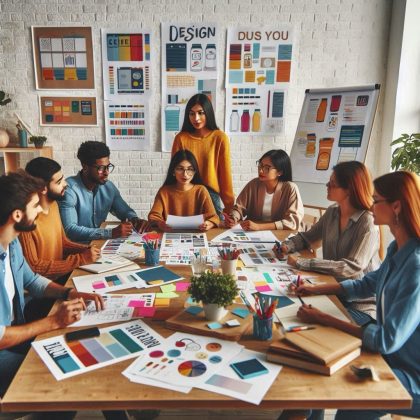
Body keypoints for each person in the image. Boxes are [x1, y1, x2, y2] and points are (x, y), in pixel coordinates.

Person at [292, 171, 420, 420]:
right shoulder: (397, 247)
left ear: (396, 207)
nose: (371, 205)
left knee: (349, 402)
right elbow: (368, 283)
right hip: (390, 357)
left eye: (376, 200)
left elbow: (385, 340)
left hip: (410, 375)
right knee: (322, 361)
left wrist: (324, 318)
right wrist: (318, 289)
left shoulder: (416, 267)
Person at [0, 171, 104, 399]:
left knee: (86, 347)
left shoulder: (12, 242)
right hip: (4, 352)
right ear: (17, 215)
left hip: (18, 332)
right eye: (35, 205)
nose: (40, 210)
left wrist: (69, 292)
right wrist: (53, 321)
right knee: (72, 377)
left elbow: (32, 280)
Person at [274, 161, 381, 325]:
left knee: (302, 320)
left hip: (360, 306)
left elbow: (351, 267)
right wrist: (288, 246)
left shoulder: (368, 222)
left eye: (333, 183)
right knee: (286, 310)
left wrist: (304, 263)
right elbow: (307, 237)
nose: (327, 185)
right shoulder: (332, 212)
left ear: (349, 190)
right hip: (330, 291)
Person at [20, 157, 100, 282]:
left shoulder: (53, 205)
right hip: (45, 288)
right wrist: (81, 259)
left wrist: (86, 249)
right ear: (43, 188)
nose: (65, 184)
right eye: (58, 182)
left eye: (62, 178)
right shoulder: (26, 220)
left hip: (62, 276)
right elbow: (34, 267)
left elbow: (62, 243)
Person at [58, 141, 150, 243]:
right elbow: (70, 230)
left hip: (99, 245)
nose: (106, 172)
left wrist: (134, 220)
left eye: (108, 166)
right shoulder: (69, 190)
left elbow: (124, 211)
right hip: (78, 250)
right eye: (101, 168)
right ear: (85, 167)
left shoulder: (108, 187)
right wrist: (110, 233)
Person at [171, 93, 234, 215]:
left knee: (213, 232)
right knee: (185, 232)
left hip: (211, 196)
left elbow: (225, 175)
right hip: (186, 194)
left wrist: (230, 206)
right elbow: (175, 173)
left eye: (201, 113)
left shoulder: (219, 138)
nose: (196, 118)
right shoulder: (181, 138)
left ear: (208, 113)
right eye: (192, 113)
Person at [224, 149, 304, 231]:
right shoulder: (253, 184)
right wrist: (234, 218)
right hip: (253, 234)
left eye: (267, 168)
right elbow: (239, 207)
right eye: (260, 165)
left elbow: (293, 221)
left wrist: (259, 227)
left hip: (282, 234)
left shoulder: (290, 188)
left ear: (280, 172)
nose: (261, 170)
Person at [148, 149, 219, 232]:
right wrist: (160, 223)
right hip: (170, 235)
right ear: (173, 171)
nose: (185, 174)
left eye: (190, 169)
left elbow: (214, 217)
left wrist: (209, 223)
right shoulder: (164, 191)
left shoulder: (201, 190)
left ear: (195, 172)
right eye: (180, 169)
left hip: (196, 235)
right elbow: (153, 216)